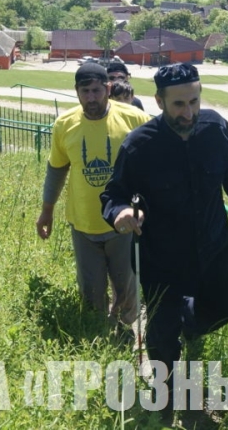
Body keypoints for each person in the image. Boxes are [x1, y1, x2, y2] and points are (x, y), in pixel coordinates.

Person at [101, 62, 228, 399]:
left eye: (194, 101)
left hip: (213, 249)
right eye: (179, 104)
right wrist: (120, 212)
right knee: (163, 336)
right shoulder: (139, 146)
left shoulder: (215, 128)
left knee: (222, 311)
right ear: (159, 101)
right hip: (161, 259)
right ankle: (166, 397)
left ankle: (185, 325)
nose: (188, 112)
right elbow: (113, 195)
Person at [37, 61, 152, 327]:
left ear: (108, 89)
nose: (91, 98)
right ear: (76, 91)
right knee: (91, 291)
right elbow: (56, 170)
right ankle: (96, 332)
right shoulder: (65, 125)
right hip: (84, 224)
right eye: (85, 91)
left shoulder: (134, 120)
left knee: (126, 289)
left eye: (97, 91)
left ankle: (125, 331)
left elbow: (156, 162)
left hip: (124, 224)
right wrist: (46, 211)